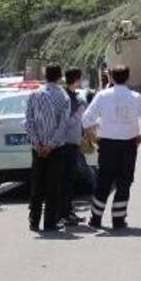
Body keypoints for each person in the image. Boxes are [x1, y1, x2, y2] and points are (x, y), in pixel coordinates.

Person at [82, 65, 141, 230]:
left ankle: (95, 218)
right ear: (128, 77)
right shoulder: (135, 97)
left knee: (104, 181)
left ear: (110, 77)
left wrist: (95, 139)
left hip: (107, 144)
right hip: (129, 145)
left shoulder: (102, 96)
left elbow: (86, 120)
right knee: (124, 182)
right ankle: (118, 219)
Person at [25, 64, 71, 232]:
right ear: (60, 77)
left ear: (45, 75)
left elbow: (28, 121)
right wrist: (51, 145)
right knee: (53, 186)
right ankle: (50, 222)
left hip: (37, 149)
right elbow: (63, 125)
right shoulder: (63, 96)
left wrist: (37, 144)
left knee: (37, 184)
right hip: (55, 149)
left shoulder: (34, 94)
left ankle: (33, 220)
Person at [58, 68, 86, 226]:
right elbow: (67, 122)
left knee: (69, 179)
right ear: (77, 79)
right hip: (66, 143)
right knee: (66, 180)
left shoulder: (73, 96)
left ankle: (67, 211)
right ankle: (64, 213)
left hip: (72, 142)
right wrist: (79, 113)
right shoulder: (67, 97)